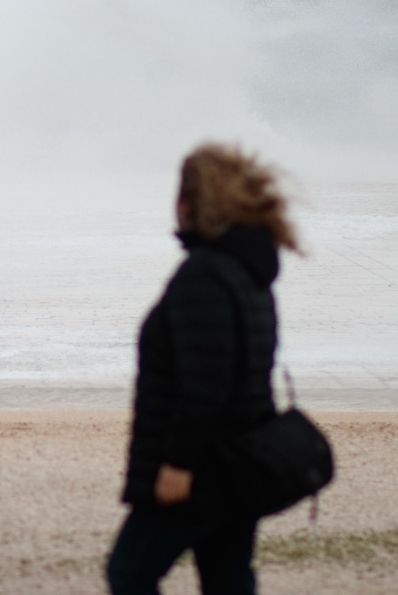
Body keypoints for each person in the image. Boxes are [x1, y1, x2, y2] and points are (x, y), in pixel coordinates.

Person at [107, 142, 300, 595]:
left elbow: (204, 387)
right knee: (228, 580)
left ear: (193, 202)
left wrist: (178, 464)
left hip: (203, 470)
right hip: (240, 461)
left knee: (130, 573)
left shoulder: (206, 275)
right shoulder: (250, 272)